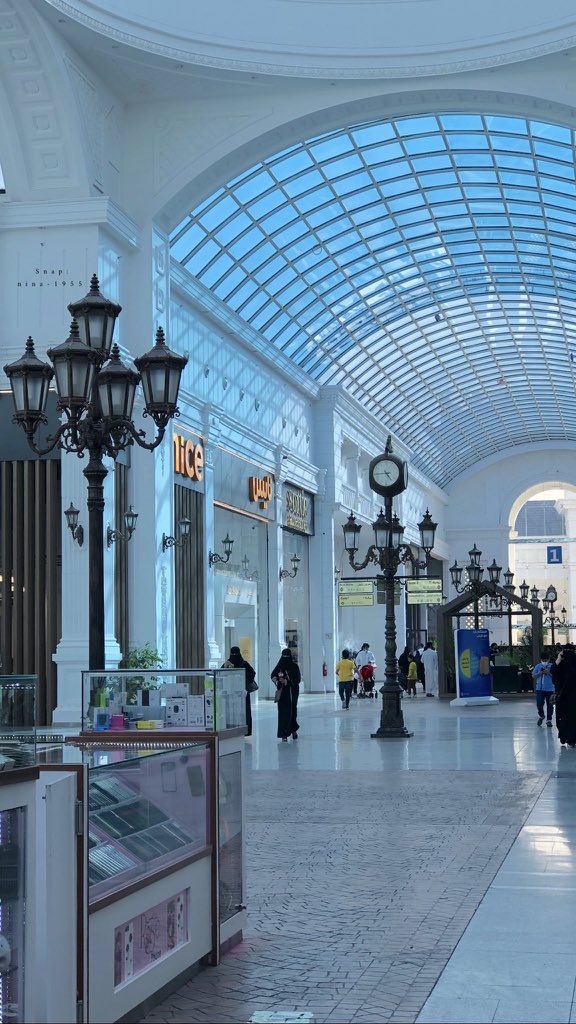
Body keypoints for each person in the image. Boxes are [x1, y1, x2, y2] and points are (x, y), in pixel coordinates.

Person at [223, 646, 256, 736]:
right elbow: (220, 675)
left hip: (243, 692)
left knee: (244, 711)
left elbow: (252, 674)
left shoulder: (244, 664)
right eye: (232, 654)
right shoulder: (227, 663)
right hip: (230, 692)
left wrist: (236, 668)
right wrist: (225, 667)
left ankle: (245, 730)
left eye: (235, 654)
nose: (234, 656)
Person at [271, 648, 301, 741]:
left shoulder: (294, 666)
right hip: (282, 693)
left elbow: (298, 679)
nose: (285, 658)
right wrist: (275, 680)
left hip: (292, 693)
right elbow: (273, 675)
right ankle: (284, 734)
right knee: (283, 713)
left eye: (287, 656)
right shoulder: (279, 666)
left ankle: (293, 730)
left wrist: (287, 681)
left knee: (292, 711)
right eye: (284, 656)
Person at [552, 645, 576, 747]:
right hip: (573, 696)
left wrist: (558, 660)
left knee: (562, 716)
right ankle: (572, 738)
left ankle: (563, 735)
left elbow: (553, 674)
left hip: (562, 696)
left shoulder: (560, 664)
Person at [532, 651, 554, 728]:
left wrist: (548, 672)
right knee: (539, 704)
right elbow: (533, 676)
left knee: (550, 705)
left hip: (550, 689)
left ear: (548, 659)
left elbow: (556, 676)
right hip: (540, 689)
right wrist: (540, 673)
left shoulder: (552, 666)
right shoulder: (538, 666)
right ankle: (541, 716)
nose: (544, 661)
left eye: (546, 660)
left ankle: (549, 720)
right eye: (543, 660)